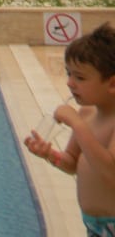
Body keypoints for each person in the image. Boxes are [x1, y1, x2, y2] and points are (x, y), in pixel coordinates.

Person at [25, 23, 115, 236]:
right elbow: (72, 163)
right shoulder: (87, 114)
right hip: (93, 224)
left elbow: (110, 172)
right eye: (69, 74)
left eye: (80, 78)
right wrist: (50, 154)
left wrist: (77, 125)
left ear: (112, 84)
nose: (69, 83)